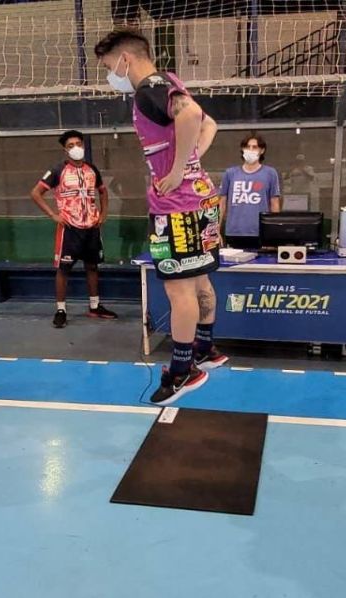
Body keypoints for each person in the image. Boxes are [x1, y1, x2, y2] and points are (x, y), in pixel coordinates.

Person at [95, 29, 229, 405]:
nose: (110, 75)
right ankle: (205, 348)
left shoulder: (148, 88)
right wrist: (189, 162)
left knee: (179, 291)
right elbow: (209, 124)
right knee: (199, 283)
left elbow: (192, 115)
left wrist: (176, 171)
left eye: (109, 66)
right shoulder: (170, 81)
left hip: (178, 207)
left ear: (125, 59)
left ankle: (184, 370)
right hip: (201, 201)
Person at [30, 129, 118, 328]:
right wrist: (53, 215)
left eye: (78, 144)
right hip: (70, 228)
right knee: (64, 269)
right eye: (71, 145)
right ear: (65, 150)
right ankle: (61, 310)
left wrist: (103, 214)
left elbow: (103, 191)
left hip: (91, 227)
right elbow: (35, 193)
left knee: (92, 266)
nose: (76, 148)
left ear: (83, 146)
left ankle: (94, 306)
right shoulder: (57, 170)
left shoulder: (92, 169)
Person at [218, 133, 282, 249]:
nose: (250, 150)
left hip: (260, 232)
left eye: (255, 147)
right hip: (234, 232)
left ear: (262, 150)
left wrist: (274, 233)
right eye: (247, 147)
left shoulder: (270, 173)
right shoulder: (230, 173)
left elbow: (274, 204)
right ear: (242, 149)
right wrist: (216, 230)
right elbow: (221, 203)